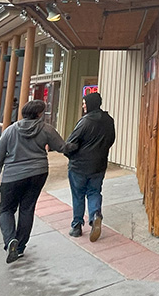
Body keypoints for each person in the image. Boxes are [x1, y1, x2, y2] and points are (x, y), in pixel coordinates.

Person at [0, 99, 65, 263]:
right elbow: (61, 146)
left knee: (6, 210)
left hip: (12, 176)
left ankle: (10, 241)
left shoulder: (10, 131)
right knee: (27, 209)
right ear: (38, 113)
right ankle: (20, 247)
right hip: (38, 173)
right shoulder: (46, 129)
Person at [64, 91, 116, 241]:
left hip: (79, 166)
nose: (83, 105)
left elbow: (71, 143)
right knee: (94, 192)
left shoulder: (85, 122)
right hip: (99, 165)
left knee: (78, 195)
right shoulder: (109, 120)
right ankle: (95, 215)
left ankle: (76, 226)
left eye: (84, 103)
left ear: (90, 104)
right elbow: (111, 140)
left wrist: (69, 155)